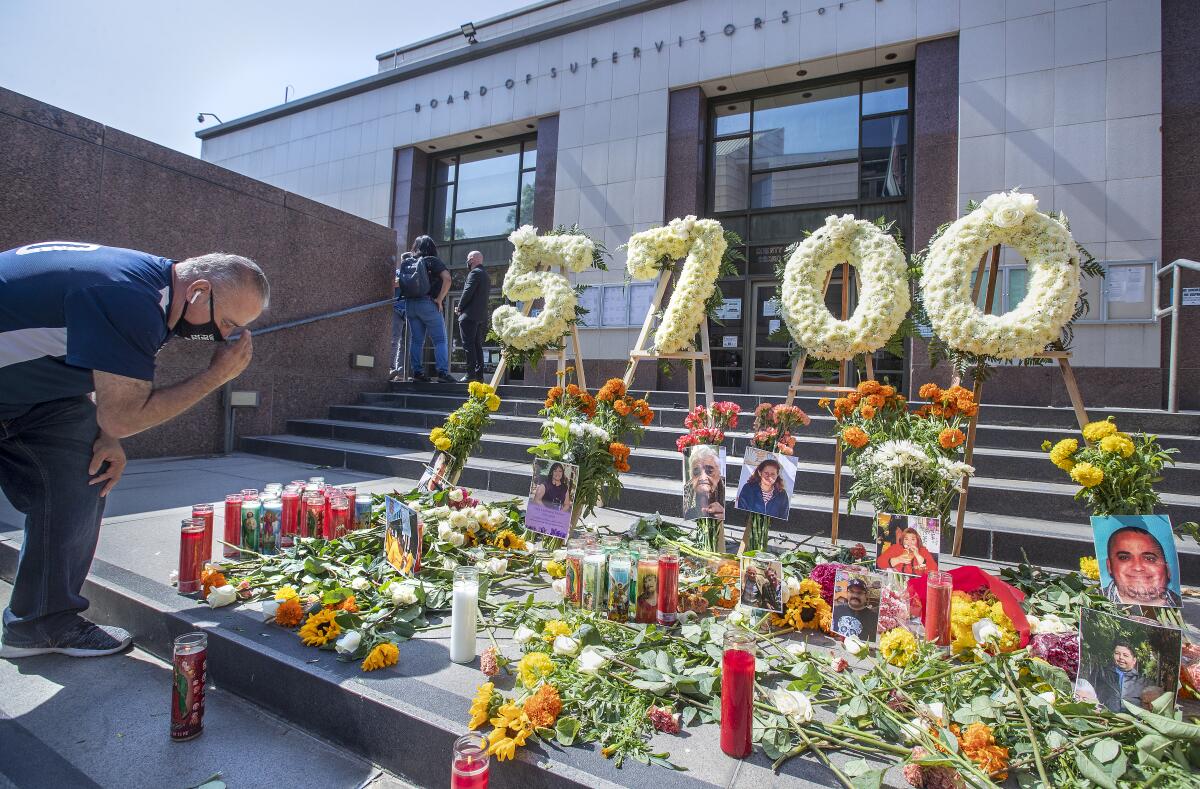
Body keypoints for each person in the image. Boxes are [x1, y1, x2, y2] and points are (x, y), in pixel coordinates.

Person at [0, 242, 267, 658]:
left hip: (33, 396)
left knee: (83, 472)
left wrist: (108, 436)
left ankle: (41, 622)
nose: (227, 336)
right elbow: (124, 414)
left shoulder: (150, 288)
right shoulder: (131, 299)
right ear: (199, 291)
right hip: (18, 391)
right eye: (228, 321)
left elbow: (95, 366)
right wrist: (216, 376)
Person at [401, 236, 454, 384]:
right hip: (428, 303)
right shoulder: (432, 260)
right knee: (440, 340)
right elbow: (447, 279)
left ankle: (417, 372)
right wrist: (440, 299)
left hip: (410, 305)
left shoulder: (409, 261)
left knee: (417, 341)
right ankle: (442, 373)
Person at [1102, 526, 1182, 607]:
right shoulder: (1094, 603)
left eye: (1149, 559)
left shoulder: (1180, 606)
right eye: (1124, 558)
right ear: (1109, 566)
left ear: (1167, 569)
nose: (1138, 567)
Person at [1087, 641, 1163, 712]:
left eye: (1125, 655)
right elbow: (1087, 694)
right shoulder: (1100, 673)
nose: (1121, 657)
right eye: (1117, 653)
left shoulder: (1145, 683)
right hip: (1102, 719)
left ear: (1134, 660)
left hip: (1132, 723)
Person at [455, 250, 491, 383]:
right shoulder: (486, 275)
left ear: (472, 259)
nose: (467, 262)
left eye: (468, 259)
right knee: (477, 346)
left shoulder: (474, 273)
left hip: (469, 317)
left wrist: (459, 308)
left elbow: (467, 292)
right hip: (480, 317)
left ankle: (470, 374)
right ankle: (479, 375)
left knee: (468, 345)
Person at [683, 444, 725, 521]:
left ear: (719, 475)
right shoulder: (687, 489)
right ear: (691, 475)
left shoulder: (723, 488)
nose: (703, 478)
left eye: (710, 471)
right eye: (696, 471)